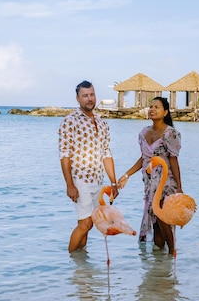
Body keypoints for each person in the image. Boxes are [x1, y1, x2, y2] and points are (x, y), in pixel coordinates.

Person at [59, 80, 119, 252]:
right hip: (80, 180)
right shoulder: (70, 121)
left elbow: (107, 154)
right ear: (77, 98)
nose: (89, 99)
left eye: (92, 95)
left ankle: (80, 267)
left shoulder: (102, 123)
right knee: (85, 223)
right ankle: (70, 259)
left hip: (98, 180)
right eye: (85, 96)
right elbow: (64, 155)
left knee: (88, 224)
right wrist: (69, 185)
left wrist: (113, 183)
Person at [118, 96, 183, 254]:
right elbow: (143, 159)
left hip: (166, 183)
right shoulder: (144, 132)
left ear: (165, 112)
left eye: (157, 107)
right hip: (149, 183)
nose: (152, 109)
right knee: (155, 224)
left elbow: (174, 161)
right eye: (150, 106)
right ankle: (159, 266)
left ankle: (172, 253)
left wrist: (180, 188)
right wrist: (127, 175)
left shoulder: (170, 133)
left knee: (163, 218)